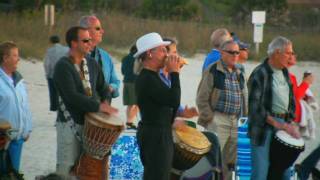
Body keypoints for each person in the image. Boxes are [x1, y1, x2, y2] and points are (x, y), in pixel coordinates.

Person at [53, 26, 118, 175]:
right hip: (69, 124)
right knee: (67, 170)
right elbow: (72, 96)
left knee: (87, 171)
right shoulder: (63, 66)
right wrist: (98, 107)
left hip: (91, 124)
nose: (90, 43)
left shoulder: (92, 63)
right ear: (74, 43)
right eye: (86, 40)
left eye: (90, 39)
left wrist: (106, 103)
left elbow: (104, 88)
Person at [247, 36, 300, 180]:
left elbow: (291, 101)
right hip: (263, 128)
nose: (291, 56)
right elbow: (254, 107)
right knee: (261, 173)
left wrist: (290, 123)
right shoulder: (260, 73)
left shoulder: (285, 73)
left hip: (283, 126)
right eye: (288, 53)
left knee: (283, 173)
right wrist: (277, 124)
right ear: (277, 53)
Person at [197, 40, 247, 180]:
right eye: (231, 52)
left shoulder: (239, 72)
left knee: (230, 163)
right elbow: (201, 98)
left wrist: (244, 120)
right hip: (217, 118)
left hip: (235, 121)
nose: (235, 55)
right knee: (212, 160)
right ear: (221, 53)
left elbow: (244, 99)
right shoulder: (213, 70)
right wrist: (210, 119)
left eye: (237, 52)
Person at [134, 32, 181, 180]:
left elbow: (168, 105)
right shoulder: (147, 79)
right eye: (162, 50)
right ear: (149, 53)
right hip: (155, 136)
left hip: (158, 133)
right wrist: (175, 74)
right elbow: (174, 100)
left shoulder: (153, 77)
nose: (166, 54)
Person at [0, 41, 32, 174]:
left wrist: (28, 129)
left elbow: (25, 106)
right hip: (2, 141)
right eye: (15, 55)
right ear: (5, 58)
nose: (18, 59)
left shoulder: (19, 80)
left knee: (14, 175)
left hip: (18, 140)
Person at [79, 15, 120, 103]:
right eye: (98, 28)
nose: (102, 31)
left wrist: (111, 87)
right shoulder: (74, 55)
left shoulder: (105, 56)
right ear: (86, 31)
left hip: (103, 111)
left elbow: (115, 81)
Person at [43, 35, 69, 111]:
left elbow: (46, 64)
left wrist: (47, 74)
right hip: (64, 74)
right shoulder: (66, 49)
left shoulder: (49, 50)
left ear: (50, 41)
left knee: (53, 92)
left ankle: (54, 107)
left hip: (52, 75)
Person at [121, 45, 139, 129]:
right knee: (137, 104)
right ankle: (129, 122)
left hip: (126, 82)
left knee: (129, 104)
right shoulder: (138, 58)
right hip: (134, 83)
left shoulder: (125, 58)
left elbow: (123, 72)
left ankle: (129, 122)